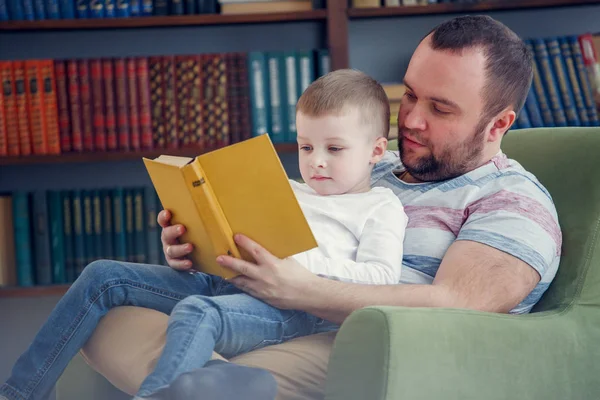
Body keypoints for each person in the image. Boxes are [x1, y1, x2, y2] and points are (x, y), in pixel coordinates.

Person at [143, 14, 561, 398]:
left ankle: (196, 380)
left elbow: (456, 303)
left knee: (170, 344)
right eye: (412, 95)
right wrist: (204, 241)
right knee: (117, 307)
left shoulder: (514, 201)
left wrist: (303, 290)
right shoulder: (372, 162)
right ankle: (199, 381)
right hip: (266, 313)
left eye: (440, 108)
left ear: (499, 124)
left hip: (369, 349)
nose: (411, 119)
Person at [0, 70, 407, 400]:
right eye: (305, 147)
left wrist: (296, 263)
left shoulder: (380, 206)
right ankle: (19, 393)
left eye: (334, 149)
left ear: (374, 151)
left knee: (198, 311)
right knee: (102, 274)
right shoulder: (286, 188)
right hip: (228, 279)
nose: (316, 162)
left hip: (294, 310)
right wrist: (195, 237)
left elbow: (381, 280)